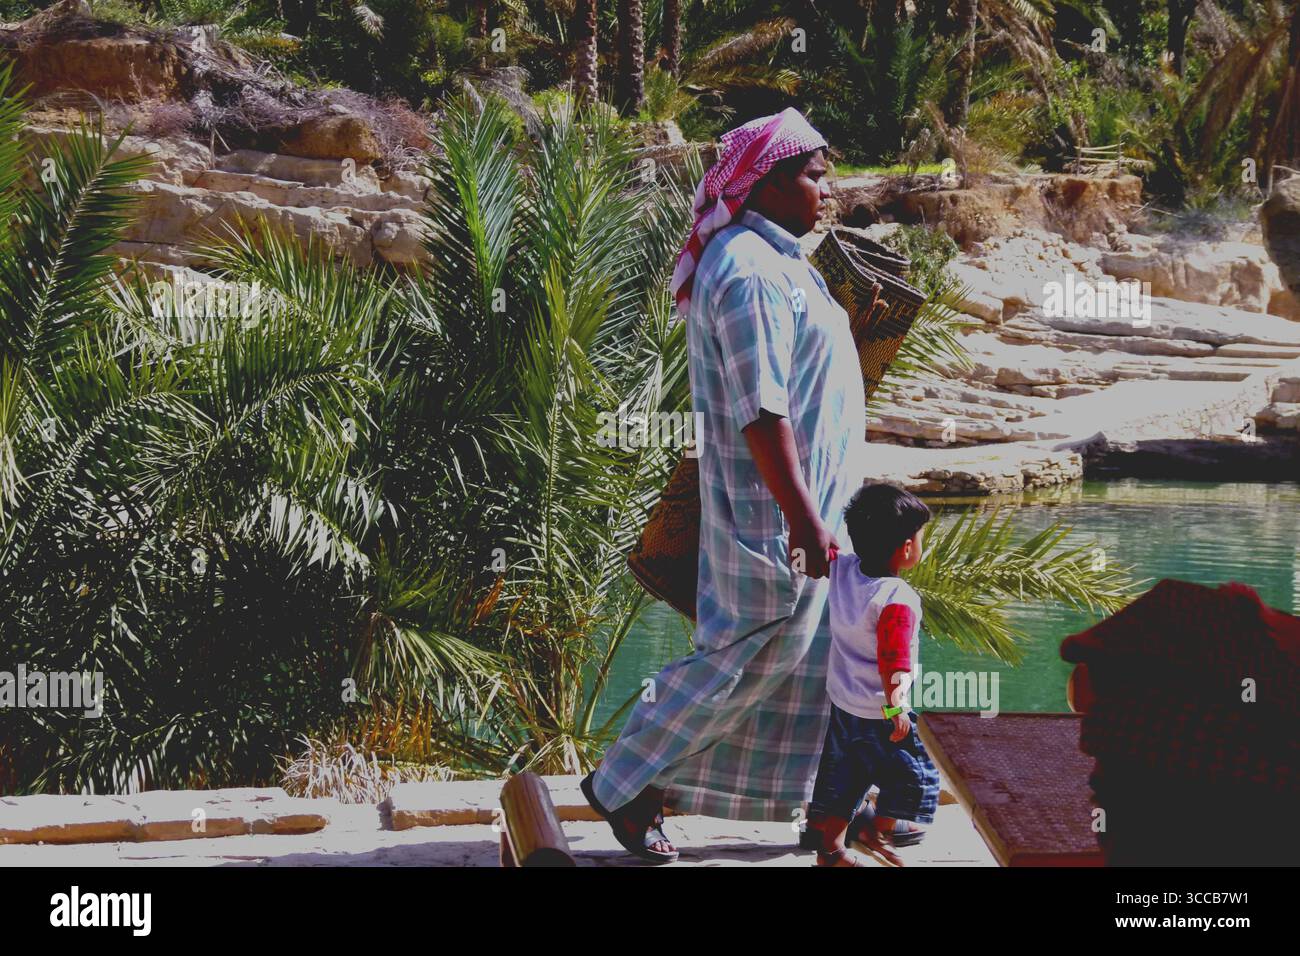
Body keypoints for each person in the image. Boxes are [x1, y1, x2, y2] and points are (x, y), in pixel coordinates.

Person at [580, 107, 868, 863]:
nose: (826, 187)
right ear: (767, 184)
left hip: (803, 505)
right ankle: (623, 782)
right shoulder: (747, 268)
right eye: (812, 174)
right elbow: (760, 409)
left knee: (799, 661)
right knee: (745, 653)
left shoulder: (779, 260)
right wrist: (802, 521)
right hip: (770, 512)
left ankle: (826, 805)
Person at [805, 483, 941, 867]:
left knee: (845, 777)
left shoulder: (845, 570)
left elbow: (825, 549)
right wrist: (897, 708)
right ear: (906, 548)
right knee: (914, 773)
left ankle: (831, 850)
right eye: (920, 536)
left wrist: (814, 526)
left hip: (844, 704)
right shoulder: (897, 598)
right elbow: (893, 658)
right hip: (881, 710)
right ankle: (877, 830)